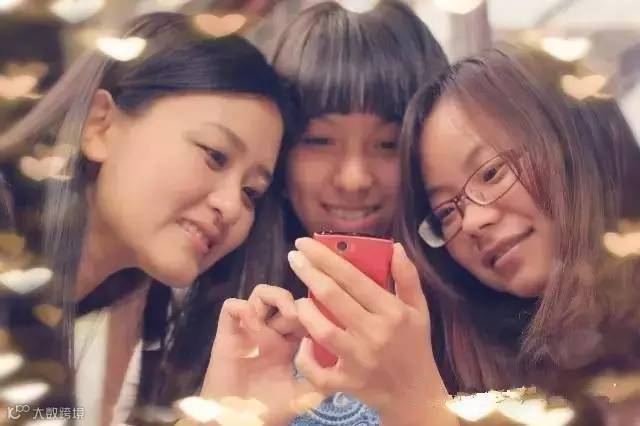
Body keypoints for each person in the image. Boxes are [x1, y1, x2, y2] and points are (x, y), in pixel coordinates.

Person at [0, 12, 297, 424]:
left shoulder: (130, 309)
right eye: (214, 155)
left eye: (252, 193)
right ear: (100, 126)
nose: (232, 207)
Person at [192, 1, 450, 425]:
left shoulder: (479, 309)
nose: (354, 179)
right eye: (319, 141)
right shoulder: (216, 303)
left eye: (388, 143)